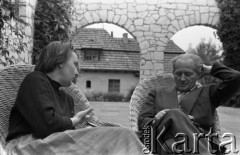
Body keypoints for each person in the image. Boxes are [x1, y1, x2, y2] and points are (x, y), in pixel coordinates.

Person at [5, 41, 146, 155]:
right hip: (27, 146)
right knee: (122, 136)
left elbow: (65, 134)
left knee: (118, 140)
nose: (77, 72)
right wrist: (74, 120)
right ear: (60, 61)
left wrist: (82, 128)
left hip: (56, 145)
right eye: (75, 64)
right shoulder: (35, 80)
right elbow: (46, 125)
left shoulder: (68, 99)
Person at [138, 54, 240, 155]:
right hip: (159, 139)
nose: (182, 78)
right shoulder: (157, 93)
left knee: (171, 145)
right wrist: (156, 119)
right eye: (178, 74)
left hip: (191, 143)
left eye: (188, 74)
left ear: (199, 75)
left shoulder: (209, 93)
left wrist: (209, 69)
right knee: (174, 114)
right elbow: (142, 121)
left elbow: (235, 78)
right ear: (173, 73)